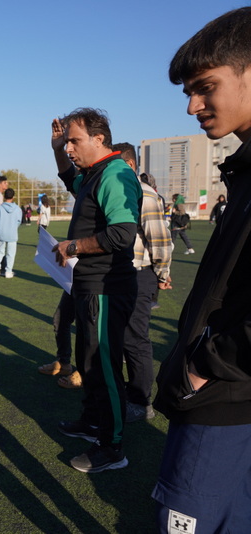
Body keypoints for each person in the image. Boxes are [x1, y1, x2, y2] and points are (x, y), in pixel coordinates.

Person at [153, 8, 251, 531]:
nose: (192, 105)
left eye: (205, 87)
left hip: (225, 399)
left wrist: (203, 365)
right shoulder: (244, 168)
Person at [50, 107, 141, 473]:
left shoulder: (116, 172)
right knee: (87, 359)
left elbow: (122, 234)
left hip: (107, 286)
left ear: (98, 139)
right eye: (67, 141)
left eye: (74, 140)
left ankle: (113, 446)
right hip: (88, 285)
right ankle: (92, 423)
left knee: (104, 366)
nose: (70, 147)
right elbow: (68, 176)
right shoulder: (93, 174)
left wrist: (72, 247)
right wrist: (57, 147)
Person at [114, 142, 173, 423]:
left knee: (135, 339)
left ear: (131, 165)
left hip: (140, 273)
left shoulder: (145, 194)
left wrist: (162, 275)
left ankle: (141, 401)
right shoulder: (118, 190)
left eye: (116, 163)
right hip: (121, 274)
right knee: (120, 337)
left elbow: (160, 240)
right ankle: (126, 392)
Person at [0, 188, 21, 278]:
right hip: (12, 234)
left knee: (0, 251)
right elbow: (18, 221)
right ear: (13, 197)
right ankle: (8, 272)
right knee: (10, 254)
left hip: (1, 233)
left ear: (4, 196)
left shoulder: (0, 208)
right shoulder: (18, 209)